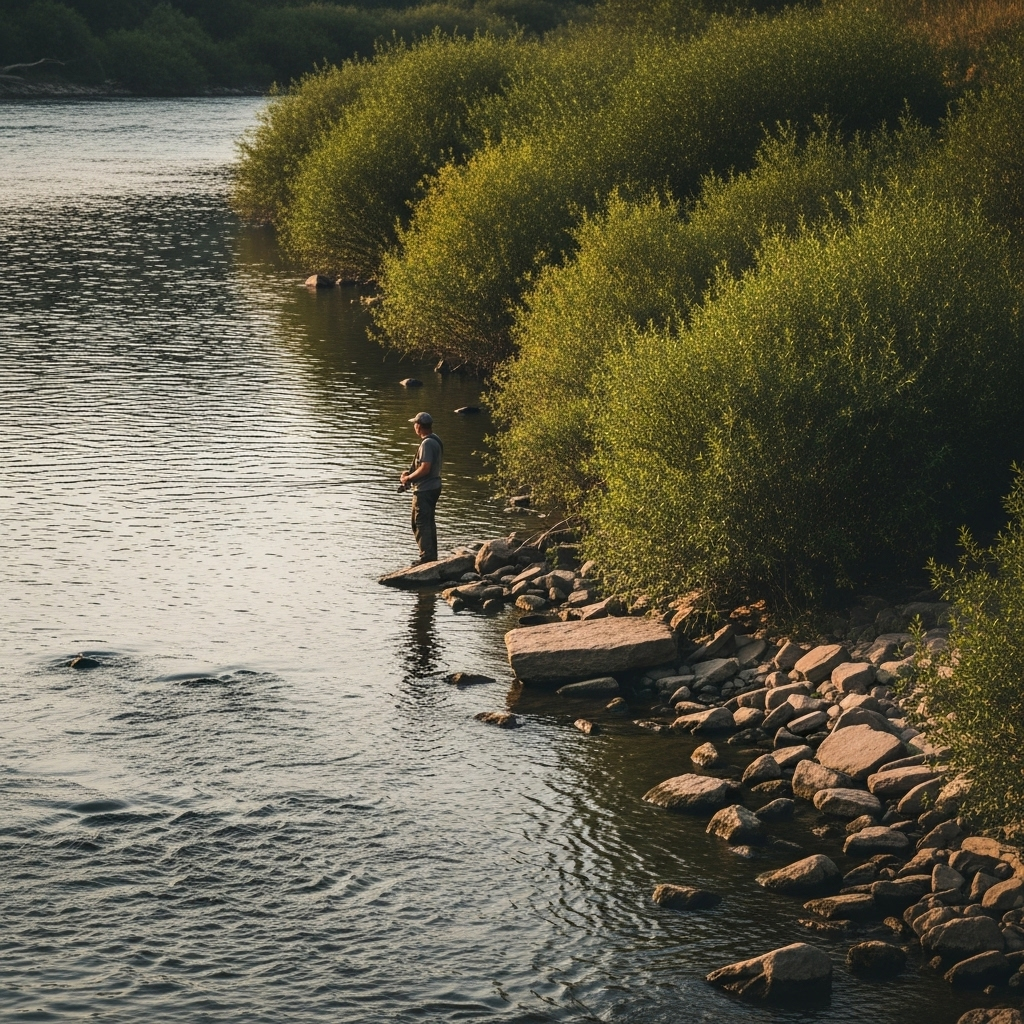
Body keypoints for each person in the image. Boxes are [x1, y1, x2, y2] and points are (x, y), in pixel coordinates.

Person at [401, 412, 443, 564]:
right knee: (428, 522)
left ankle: (426, 558)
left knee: (420, 522)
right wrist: (409, 473)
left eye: (415, 424)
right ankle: (431, 556)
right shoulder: (435, 439)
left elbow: (425, 468)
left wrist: (409, 478)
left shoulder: (427, 443)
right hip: (433, 487)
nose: (414, 427)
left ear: (419, 426)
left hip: (425, 490)